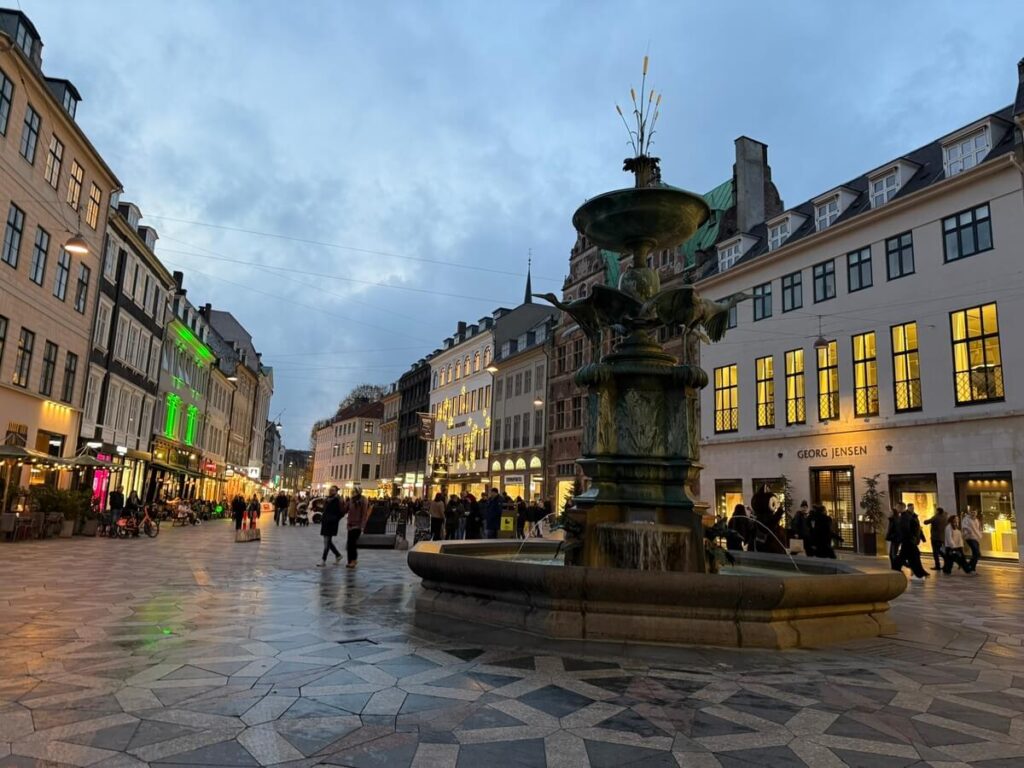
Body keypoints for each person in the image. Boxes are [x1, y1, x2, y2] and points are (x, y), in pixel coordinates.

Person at [896, 504, 929, 579]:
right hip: (909, 541)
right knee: (912, 557)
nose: (896, 509)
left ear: (901, 508)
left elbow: (909, 529)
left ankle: (919, 574)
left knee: (907, 557)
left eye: (897, 507)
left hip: (908, 541)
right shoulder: (908, 516)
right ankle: (919, 573)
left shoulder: (906, 517)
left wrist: (916, 537)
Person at [318, 485, 344, 566]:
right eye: (330, 490)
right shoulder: (327, 499)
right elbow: (325, 510)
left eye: (333, 490)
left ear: (336, 491)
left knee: (327, 542)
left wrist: (335, 519)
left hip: (332, 523)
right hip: (326, 522)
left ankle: (323, 560)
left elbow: (342, 512)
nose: (331, 491)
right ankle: (338, 555)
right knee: (328, 542)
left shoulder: (338, 500)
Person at [346, 485, 368, 568]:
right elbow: (345, 509)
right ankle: (350, 561)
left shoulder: (363, 500)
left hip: (357, 525)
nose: (352, 492)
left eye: (354, 491)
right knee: (349, 544)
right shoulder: (351, 500)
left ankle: (354, 560)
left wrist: (362, 526)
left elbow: (364, 514)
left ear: (358, 491)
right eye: (352, 490)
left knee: (352, 543)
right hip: (350, 525)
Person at [923, 506, 947, 571]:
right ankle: (945, 559)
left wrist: (924, 520)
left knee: (935, 552)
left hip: (935, 537)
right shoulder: (945, 517)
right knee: (938, 550)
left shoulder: (936, 517)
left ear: (938, 511)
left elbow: (926, 522)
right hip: (942, 537)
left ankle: (938, 565)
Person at [886, 502, 906, 571]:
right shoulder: (894, 518)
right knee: (891, 554)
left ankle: (896, 568)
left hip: (896, 538)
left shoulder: (897, 518)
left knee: (894, 554)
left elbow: (897, 529)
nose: (889, 513)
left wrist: (893, 536)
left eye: (897, 507)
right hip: (894, 538)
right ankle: (894, 567)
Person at [962, 509, 982, 574]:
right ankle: (972, 569)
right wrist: (968, 531)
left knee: (977, 554)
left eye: (975, 512)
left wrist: (979, 535)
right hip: (969, 537)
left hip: (976, 537)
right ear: (969, 512)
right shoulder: (966, 519)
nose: (973, 514)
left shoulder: (976, 520)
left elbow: (978, 528)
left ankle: (968, 566)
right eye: (972, 512)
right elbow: (964, 526)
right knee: (976, 552)